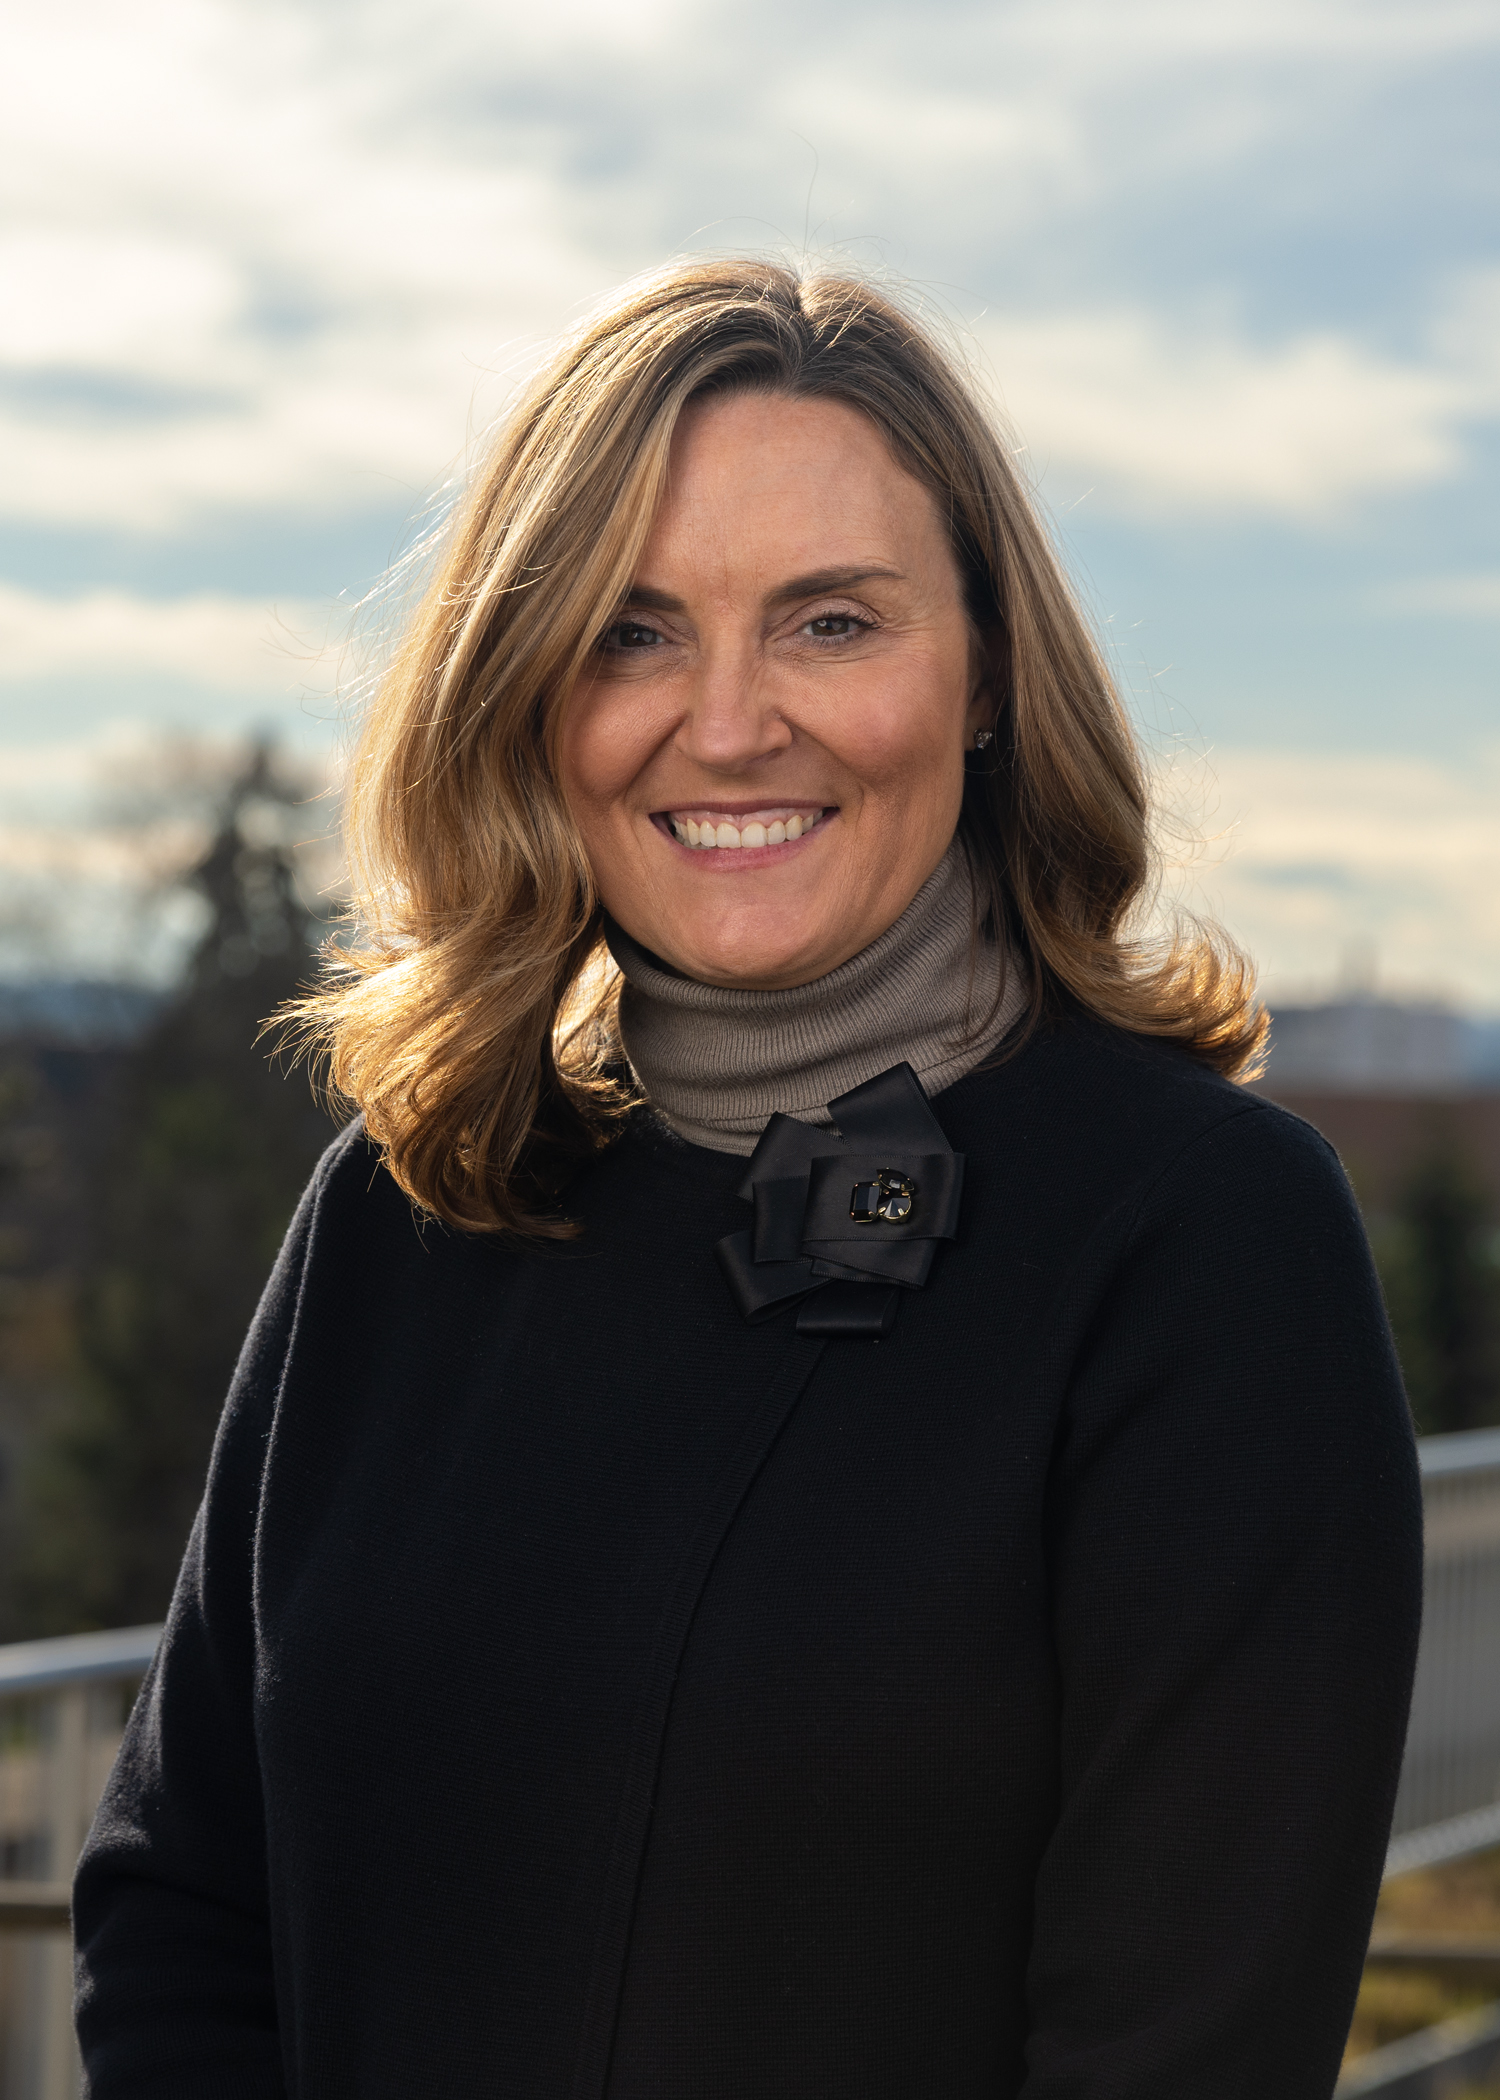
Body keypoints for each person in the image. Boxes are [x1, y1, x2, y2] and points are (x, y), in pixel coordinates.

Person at [73, 260, 1422, 2100]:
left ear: (990, 679)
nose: (724, 723)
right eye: (631, 631)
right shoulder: (408, 1208)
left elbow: (1178, 2044)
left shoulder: (1198, 1240)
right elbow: (178, 1896)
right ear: (533, 692)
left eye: (831, 624)